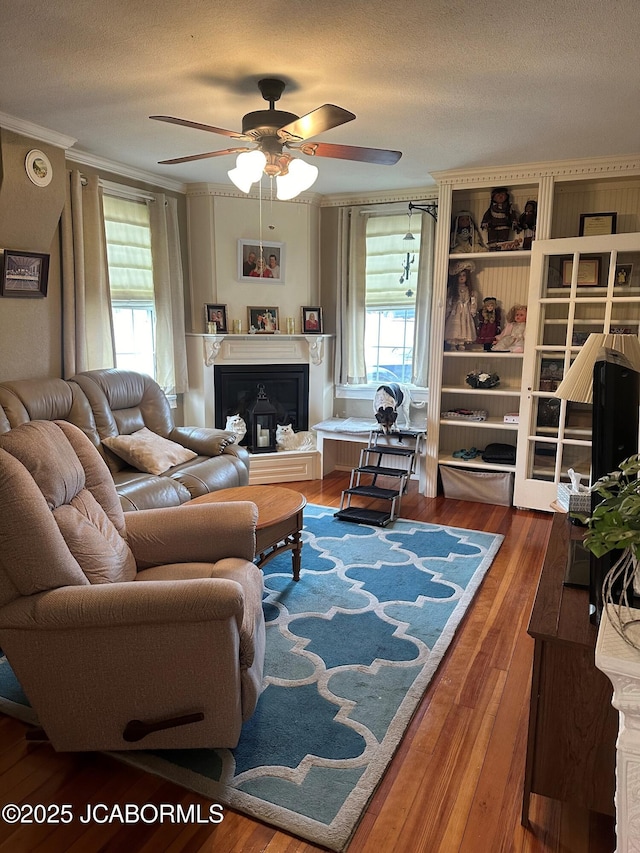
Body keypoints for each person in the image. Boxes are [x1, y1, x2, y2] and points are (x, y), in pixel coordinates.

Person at [444, 262, 478, 351]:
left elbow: (473, 301)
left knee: (464, 326)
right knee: (455, 326)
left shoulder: (469, 290)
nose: (462, 277)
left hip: (465, 310)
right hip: (456, 310)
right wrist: (448, 309)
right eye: (459, 276)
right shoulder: (452, 290)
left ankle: (461, 343)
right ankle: (453, 344)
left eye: (464, 275)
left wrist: (473, 309)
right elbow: (450, 301)